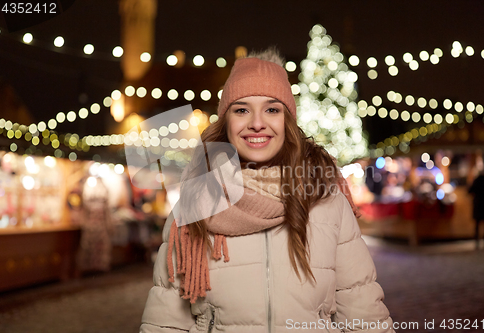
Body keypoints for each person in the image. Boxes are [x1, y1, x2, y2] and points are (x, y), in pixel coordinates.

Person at [140, 48, 395, 332]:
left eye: (272, 109)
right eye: (241, 110)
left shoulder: (326, 198)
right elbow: (165, 323)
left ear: (287, 121)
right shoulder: (195, 204)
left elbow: (364, 312)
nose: (257, 123)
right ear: (226, 123)